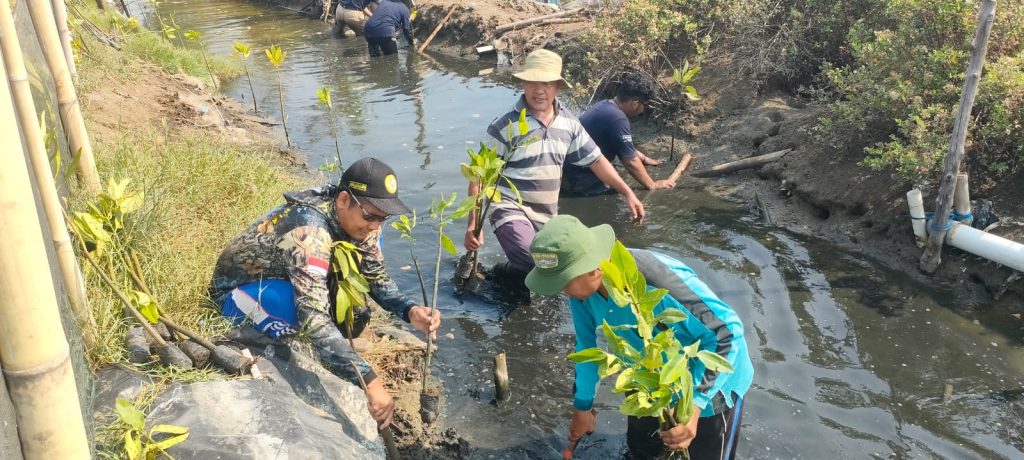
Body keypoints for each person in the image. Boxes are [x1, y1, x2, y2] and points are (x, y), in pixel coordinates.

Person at [209, 157, 440, 430]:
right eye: (370, 215)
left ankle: (328, 352)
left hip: (284, 279)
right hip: (238, 294)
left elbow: (375, 276)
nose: (375, 226)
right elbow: (313, 314)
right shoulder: (310, 231)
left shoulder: (360, 221)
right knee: (298, 312)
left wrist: (409, 310)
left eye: (382, 218)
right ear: (343, 200)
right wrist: (370, 380)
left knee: (354, 311)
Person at [524, 215, 754, 459]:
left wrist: (694, 408)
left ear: (594, 270)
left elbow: (726, 334)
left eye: (563, 282)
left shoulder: (655, 281)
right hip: (646, 377)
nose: (560, 290)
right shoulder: (582, 294)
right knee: (641, 450)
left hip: (707, 385)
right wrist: (583, 407)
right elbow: (586, 349)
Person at [463, 49, 645, 291]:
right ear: (524, 83)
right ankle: (511, 274)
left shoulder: (569, 123)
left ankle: (506, 276)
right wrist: (472, 224)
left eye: (547, 83)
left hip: (548, 214)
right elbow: (478, 175)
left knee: (566, 265)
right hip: (508, 206)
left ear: (558, 86)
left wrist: (627, 192)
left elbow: (596, 160)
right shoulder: (505, 125)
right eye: (533, 82)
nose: (540, 90)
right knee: (536, 262)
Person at [562, 72, 674, 197]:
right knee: (614, 198)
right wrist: (652, 185)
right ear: (635, 103)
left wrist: (641, 157)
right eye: (645, 106)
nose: (643, 110)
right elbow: (630, 162)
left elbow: (618, 143)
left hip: (568, 170)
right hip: (579, 179)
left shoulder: (605, 106)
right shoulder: (618, 119)